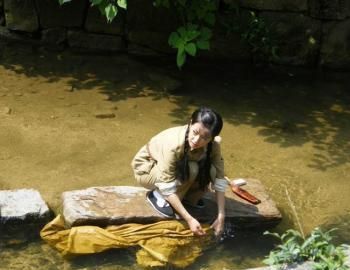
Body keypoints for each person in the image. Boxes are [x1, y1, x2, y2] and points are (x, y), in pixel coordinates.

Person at [131, 107, 228, 236]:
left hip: (177, 168)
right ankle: (157, 196)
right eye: (195, 132)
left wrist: (221, 215)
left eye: (205, 137)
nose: (196, 140)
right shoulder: (173, 144)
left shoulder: (213, 145)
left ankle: (189, 198)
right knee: (192, 169)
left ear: (212, 137)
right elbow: (167, 185)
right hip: (148, 170)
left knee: (212, 170)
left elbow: (220, 179)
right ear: (190, 123)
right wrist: (189, 219)